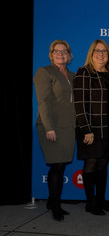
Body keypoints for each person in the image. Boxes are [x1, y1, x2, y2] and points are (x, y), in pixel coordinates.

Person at [74, 39, 109, 216]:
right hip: (91, 129)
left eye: (104, 51)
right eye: (97, 51)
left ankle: (101, 200)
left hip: (107, 129)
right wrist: (86, 129)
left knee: (103, 165)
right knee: (91, 164)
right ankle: (90, 202)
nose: (101, 54)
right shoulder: (84, 73)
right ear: (91, 54)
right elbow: (79, 103)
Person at [33, 39, 76, 221]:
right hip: (51, 127)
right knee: (57, 166)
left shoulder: (73, 75)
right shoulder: (44, 72)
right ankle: (55, 206)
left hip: (68, 127)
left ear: (69, 54)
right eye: (56, 51)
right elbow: (42, 102)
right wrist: (49, 127)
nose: (60, 54)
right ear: (51, 55)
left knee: (61, 165)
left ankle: (52, 201)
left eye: (64, 51)